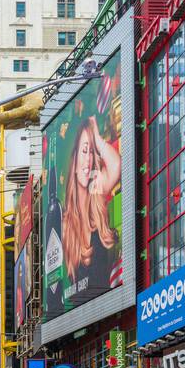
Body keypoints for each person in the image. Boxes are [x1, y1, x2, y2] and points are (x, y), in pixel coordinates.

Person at [60, 116, 121, 294]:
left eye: (92, 152)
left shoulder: (98, 193)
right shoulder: (65, 224)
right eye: (85, 150)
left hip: (109, 304)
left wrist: (97, 138)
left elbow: (116, 165)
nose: (88, 159)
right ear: (75, 161)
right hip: (80, 314)